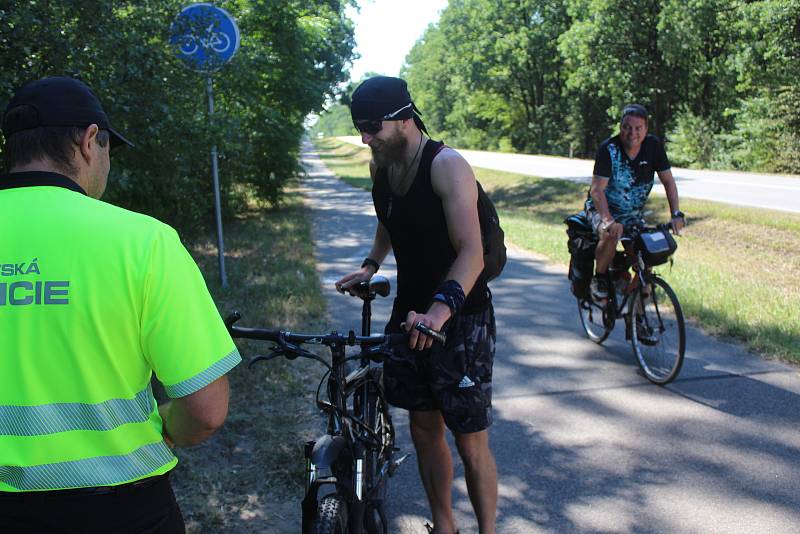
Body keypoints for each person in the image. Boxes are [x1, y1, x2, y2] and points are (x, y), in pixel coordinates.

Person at [0, 76, 240, 532]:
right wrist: (169, 425)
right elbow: (206, 411)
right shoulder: (144, 242)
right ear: (91, 141)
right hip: (119, 512)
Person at [335, 76, 497, 534]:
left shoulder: (447, 166)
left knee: (470, 441)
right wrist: (371, 263)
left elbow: (472, 253)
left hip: (461, 317)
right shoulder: (380, 164)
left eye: (371, 127)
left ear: (403, 118)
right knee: (424, 429)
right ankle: (444, 525)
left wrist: (440, 312)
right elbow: (389, 219)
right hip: (410, 312)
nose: (365, 138)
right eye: (359, 128)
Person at [585, 103, 685, 301]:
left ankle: (638, 319)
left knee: (645, 260)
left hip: (632, 215)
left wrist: (676, 214)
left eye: (638, 128)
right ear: (620, 127)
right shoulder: (609, 149)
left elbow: (668, 181)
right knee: (610, 235)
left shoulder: (653, 146)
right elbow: (597, 190)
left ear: (646, 129)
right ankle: (600, 278)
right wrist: (608, 221)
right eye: (627, 127)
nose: (632, 133)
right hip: (601, 209)